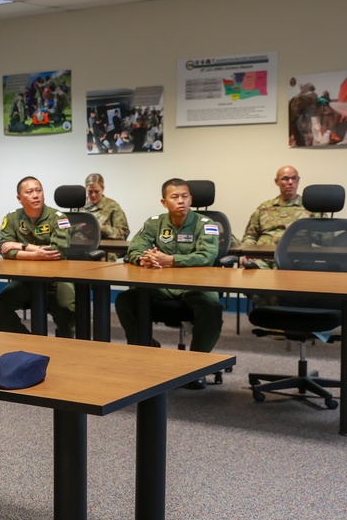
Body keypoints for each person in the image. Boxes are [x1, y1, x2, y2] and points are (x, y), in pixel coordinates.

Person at [114, 179, 223, 389]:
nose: (181, 201)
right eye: (175, 197)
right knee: (125, 300)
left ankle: (196, 365)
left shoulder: (206, 225)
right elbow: (135, 249)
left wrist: (171, 260)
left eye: (185, 196)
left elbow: (207, 256)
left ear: (191, 199)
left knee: (212, 307)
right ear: (164, 202)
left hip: (194, 286)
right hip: (160, 286)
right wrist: (143, 259)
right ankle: (146, 349)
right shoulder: (154, 223)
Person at [0, 177, 76, 337]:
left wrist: (22, 246)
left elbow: (58, 252)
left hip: (57, 277)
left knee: (66, 308)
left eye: (39, 190)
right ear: (19, 198)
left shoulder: (59, 217)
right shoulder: (12, 218)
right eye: (29, 192)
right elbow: (4, 249)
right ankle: (26, 342)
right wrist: (35, 255)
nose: (36, 195)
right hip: (26, 279)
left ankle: (66, 346)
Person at [240, 165, 314, 269]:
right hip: (262, 259)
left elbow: (326, 240)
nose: (290, 182)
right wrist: (248, 252)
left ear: (298, 180)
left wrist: (302, 228)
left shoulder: (311, 208)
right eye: (285, 178)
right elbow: (250, 236)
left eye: (294, 178)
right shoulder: (265, 207)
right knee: (248, 274)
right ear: (276, 182)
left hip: (294, 260)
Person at [83, 173, 130, 242]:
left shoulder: (112, 206)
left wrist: (101, 228)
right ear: (85, 189)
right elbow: (66, 229)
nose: (93, 195)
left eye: (97, 192)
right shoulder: (78, 205)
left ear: (103, 189)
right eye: (90, 192)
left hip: (105, 248)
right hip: (79, 247)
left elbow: (123, 234)